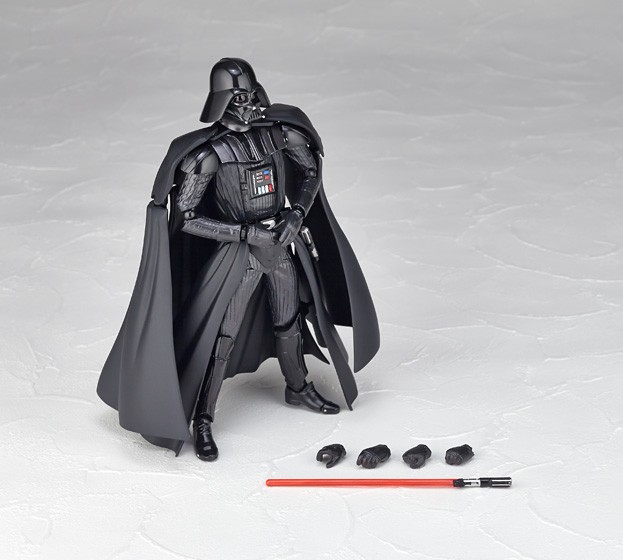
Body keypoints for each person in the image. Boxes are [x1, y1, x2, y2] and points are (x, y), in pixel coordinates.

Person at [98, 58, 379, 461]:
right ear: (223, 102)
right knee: (220, 337)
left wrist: (296, 214)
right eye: (241, 99)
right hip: (238, 255)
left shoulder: (280, 134)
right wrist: (245, 233)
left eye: (253, 96)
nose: (251, 106)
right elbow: (186, 217)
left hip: (280, 244)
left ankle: (297, 386)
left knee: (289, 321)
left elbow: (311, 171)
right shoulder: (207, 156)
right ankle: (203, 418)